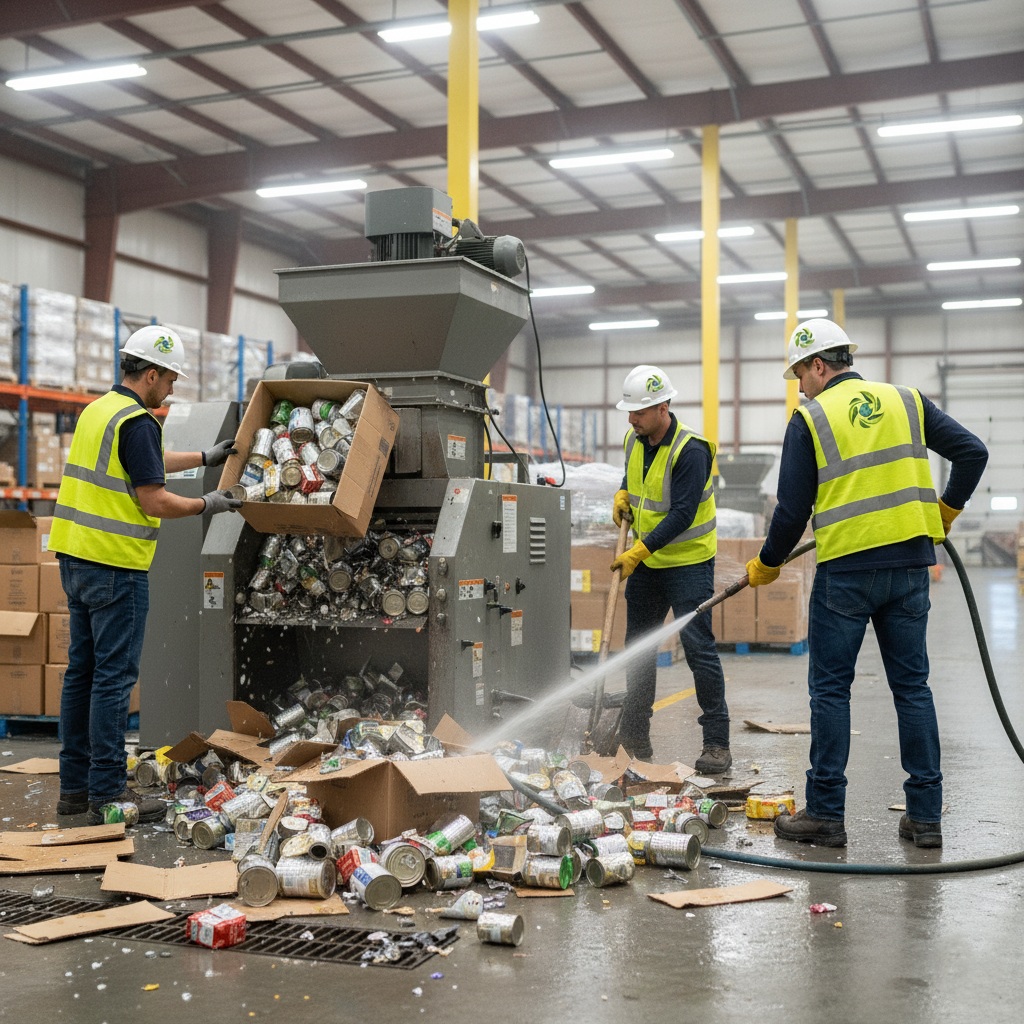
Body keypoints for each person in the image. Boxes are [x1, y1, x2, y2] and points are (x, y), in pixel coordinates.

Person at [746, 319, 987, 849]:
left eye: (799, 374)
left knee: (831, 690)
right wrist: (946, 511)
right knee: (913, 689)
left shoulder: (809, 417)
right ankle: (925, 817)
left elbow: (791, 510)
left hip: (847, 575)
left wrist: (767, 562)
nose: (799, 386)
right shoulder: (907, 400)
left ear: (818, 364)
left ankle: (827, 815)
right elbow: (973, 452)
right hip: (908, 570)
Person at [49, 325, 243, 825]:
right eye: (170, 379)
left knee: (82, 675)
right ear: (151, 373)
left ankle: (75, 790)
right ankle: (110, 794)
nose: (172, 389)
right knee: (113, 681)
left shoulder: (100, 411)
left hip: (76, 559)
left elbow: (144, 463)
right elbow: (153, 496)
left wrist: (205, 457)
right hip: (116, 566)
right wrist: (209, 503)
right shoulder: (137, 421)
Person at [610, 364, 731, 773]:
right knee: (638, 649)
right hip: (647, 563)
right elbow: (636, 479)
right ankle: (635, 738)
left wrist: (637, 552)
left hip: (688, 564)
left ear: (663, 407)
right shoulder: (634, 438)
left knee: (699, 649)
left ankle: (717, 742)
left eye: (639, 411)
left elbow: (681, 513)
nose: (631, 419)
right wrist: (623, 492)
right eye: (629, 411)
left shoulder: (691, 450)